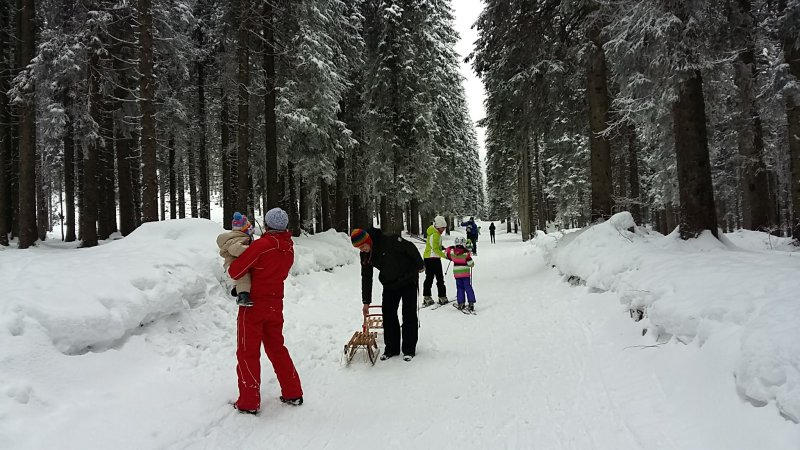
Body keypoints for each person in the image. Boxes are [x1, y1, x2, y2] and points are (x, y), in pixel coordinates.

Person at [228, 207, 303, 414]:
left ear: (267, 225)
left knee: (247, 352)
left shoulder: (263, 245)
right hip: (275, 304)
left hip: (253, 305)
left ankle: (249, 402)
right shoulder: (289, 248)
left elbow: (235, 270)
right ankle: (293, 392)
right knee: (277, 348)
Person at [351, 227, 424, 362]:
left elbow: (410, 248)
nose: (362, 250)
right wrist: (366, 301)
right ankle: (391, 348)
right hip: (390, 283)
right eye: (358, 248)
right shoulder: (365, 254)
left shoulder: (389, 240)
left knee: (408, 313)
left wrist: (420, 265)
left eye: (363, 246)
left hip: (408, 278)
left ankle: (409, 349)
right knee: (388, 313)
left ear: (368, 240)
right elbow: (366, 276)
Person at [217, 212, 255, 307]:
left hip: (233, 264)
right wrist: (251, 249)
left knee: (244, 273)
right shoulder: (239, 238)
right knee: (244, 274)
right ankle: (242, 296)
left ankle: (237, 288)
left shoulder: (237, 237)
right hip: (232, 265)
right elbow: (235, 249)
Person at [422, 215, 449, 306]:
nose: (444, 230)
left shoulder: (437, 234)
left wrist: (442, 248)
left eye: (444, 228)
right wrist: (446, 256)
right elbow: (435, 249)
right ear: (438, 226)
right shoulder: (434, 235)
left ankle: (442, 296)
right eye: (443, 228)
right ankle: (427, 297)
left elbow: (436, 246)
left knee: (440, 278)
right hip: (430, 259)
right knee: (430, 278)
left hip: (435, 258)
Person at [445, 237, 477, 312]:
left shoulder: (452, 253)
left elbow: (447, 255)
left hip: (457, 274)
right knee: (468, 287)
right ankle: (471, 303)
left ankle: (461, 303)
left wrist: (450, 248)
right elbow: (471, 264)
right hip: (465, 274)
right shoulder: (466, 253)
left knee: (460, 288)